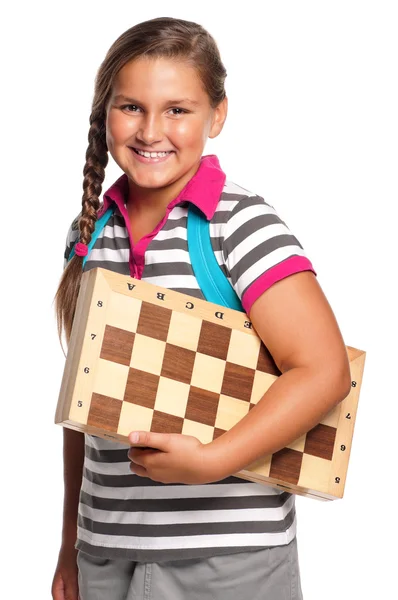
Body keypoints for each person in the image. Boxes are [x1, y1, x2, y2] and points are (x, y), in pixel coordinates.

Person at [52, 16, 351, 600]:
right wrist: (71, 545)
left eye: (178, 110)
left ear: (217, 115)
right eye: (131, 107)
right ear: (104, 112)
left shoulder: (239, 225)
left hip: (229, 561)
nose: (151, 130)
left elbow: (324, 371)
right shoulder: (90, 232)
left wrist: (214, 460)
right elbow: (83, 404)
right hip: (106, 552)